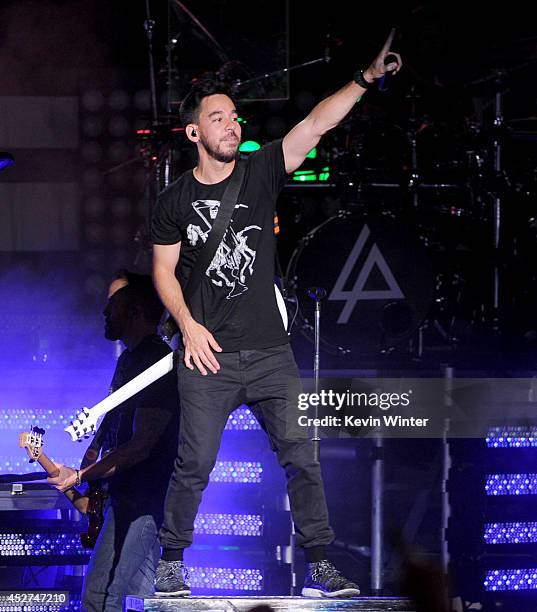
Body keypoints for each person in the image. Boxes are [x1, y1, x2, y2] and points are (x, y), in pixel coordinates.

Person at [150, 32, 401, 598]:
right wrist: (188, 327)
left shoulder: (260, 171)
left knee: (302, 459)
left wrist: (363, 79)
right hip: (206, 355)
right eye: (218, 119)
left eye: (235, 117)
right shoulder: (173, 201)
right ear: (195, 133)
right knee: (193, 465)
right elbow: (163, 273)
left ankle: (322, 564)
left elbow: (314, 126)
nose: (232, 125)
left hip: (268, 352)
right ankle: (171, 562)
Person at [47, 271, 179, 612]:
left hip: (147, 502)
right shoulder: (128, 359)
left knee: (122, 598)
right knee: (95, 596)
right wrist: (93, 453)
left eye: (113, 304)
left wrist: (80, 477)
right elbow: (113, 416)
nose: (105, 312)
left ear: (135, 309)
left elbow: (142, 444)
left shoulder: (158, 361)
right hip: (119, 499)